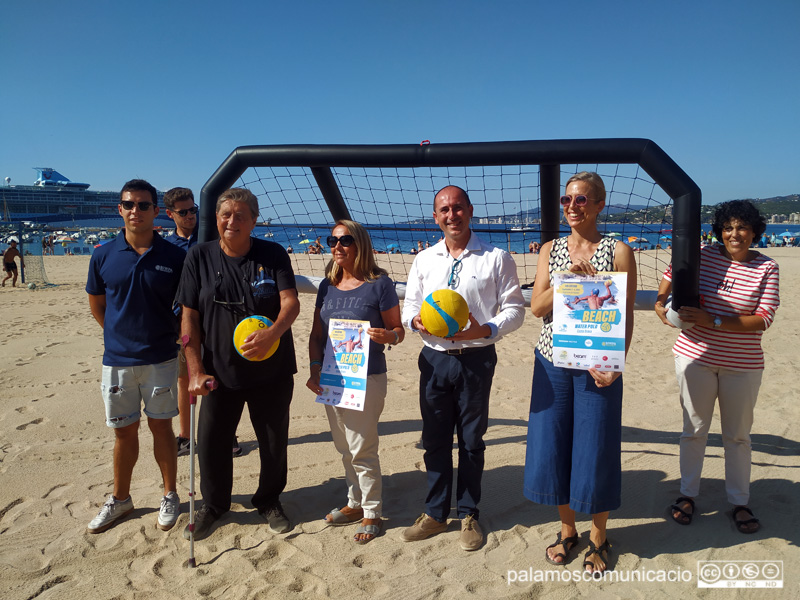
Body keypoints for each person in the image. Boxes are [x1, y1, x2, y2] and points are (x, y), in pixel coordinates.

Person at [401, 185, 525, 551]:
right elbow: (409, 306)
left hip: (476, 358)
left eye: (458, 207)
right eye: (444, 209)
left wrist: (486, 330)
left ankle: (468, 512)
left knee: (471, 441)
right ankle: (436, 513)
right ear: (435, 216)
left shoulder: (497, 257)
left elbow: (515, 310)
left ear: (470, 210)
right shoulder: (424, 259)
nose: (451, 215)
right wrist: (415, 323)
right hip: (434, 358)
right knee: (435, 439)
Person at [524, 172, 636, 575]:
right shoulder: (551, 249)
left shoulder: (619, 251)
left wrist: (615, 365)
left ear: (600, 205)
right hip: (552, 360)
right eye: (567, 200)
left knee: (596, 447)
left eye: (582, 200)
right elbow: (537, 308)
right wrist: (567, 281)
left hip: (596, 365)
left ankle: (599, 537)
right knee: (554, 447)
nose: (573, 207)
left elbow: (624, 321)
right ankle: (567, 530)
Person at [177, 187, 300, 540]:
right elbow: (189, 318)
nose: (232, 221)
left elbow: (290, 302)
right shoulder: (199, 257)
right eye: (225, 214)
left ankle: (269, 499)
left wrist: (273, 333)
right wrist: (195, 369)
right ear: (216, 218)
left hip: (272, 372)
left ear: (254, 220)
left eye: (240, 215)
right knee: (212, 442)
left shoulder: (272, 253)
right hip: (218, 373)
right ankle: (215, 504)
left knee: (273, 442)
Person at [655, 200, 779, 534]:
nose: (734, 234)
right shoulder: (704, 254)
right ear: (719, 231)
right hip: (694, 356)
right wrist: (660, 302)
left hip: (743, 364)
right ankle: (687, 495)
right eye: (728, 227)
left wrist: (715, 320)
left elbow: (762, 320)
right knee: (693, 430)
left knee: (737, 436)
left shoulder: (767, 268)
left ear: (755, 231)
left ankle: (739, 501)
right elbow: (671, 274)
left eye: (742, 227)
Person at [85, 179, 187, 534]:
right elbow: (98, 304)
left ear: (156, 211)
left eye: (143, 205)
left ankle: (170, 494)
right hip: (117, 361)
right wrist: (119, 334)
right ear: (120, 209)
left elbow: (187, 307)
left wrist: (173, 334)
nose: (135, 211)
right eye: (129, 205)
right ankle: (121, 498)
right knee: (124, 433)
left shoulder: (175, 256)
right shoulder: (103, 254)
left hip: (161, 358)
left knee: (162, 429)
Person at [306, 220, 404, 544]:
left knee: (362, 448)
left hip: (368, 377)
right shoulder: (327, 285)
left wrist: (387, 335)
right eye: (332, 240)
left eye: (345, 240)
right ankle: (354, 503)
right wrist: (314, 367)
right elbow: (317, 334)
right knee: (343, 447)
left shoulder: (380, 284)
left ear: (359, 244)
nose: (337, 246)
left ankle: (372, 513)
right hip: (333, 378)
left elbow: (398, 331)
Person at [162, 187, 198, 457]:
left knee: (217, 376)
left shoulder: (210, 237)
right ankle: (185, 436)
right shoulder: (166, 247)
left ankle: (225, 434)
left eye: (193, 210)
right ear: (170, 214)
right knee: (185, 379)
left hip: (212, 319)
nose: (190, 216)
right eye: (183, 212)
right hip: (179, 323)